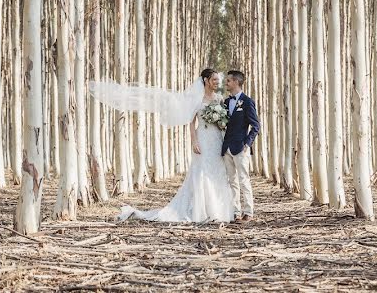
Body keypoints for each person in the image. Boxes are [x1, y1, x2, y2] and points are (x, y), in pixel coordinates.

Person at [89, 69, 235, 223]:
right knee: (202, 172)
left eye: (218, 81)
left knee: (217, 172)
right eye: (214, 80)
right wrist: (194, 141)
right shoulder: (197, 99)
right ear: (206, 80)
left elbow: (223, 120)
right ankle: (202, 210)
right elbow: (191, 123)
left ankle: (219, 209)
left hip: (216, 139)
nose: (217, 83)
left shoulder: (219, 98)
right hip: (203, 139)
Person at [221, 70, 260, 222]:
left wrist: (247, 143)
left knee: (244, 179)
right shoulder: (225, 102)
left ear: (236, 82)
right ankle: (235, 212)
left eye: (229, 81)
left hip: (241, 147)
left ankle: (248, 211)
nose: (226, 83)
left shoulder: (247, 101)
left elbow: (255, 125)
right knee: (232, 181)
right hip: (227, 148)